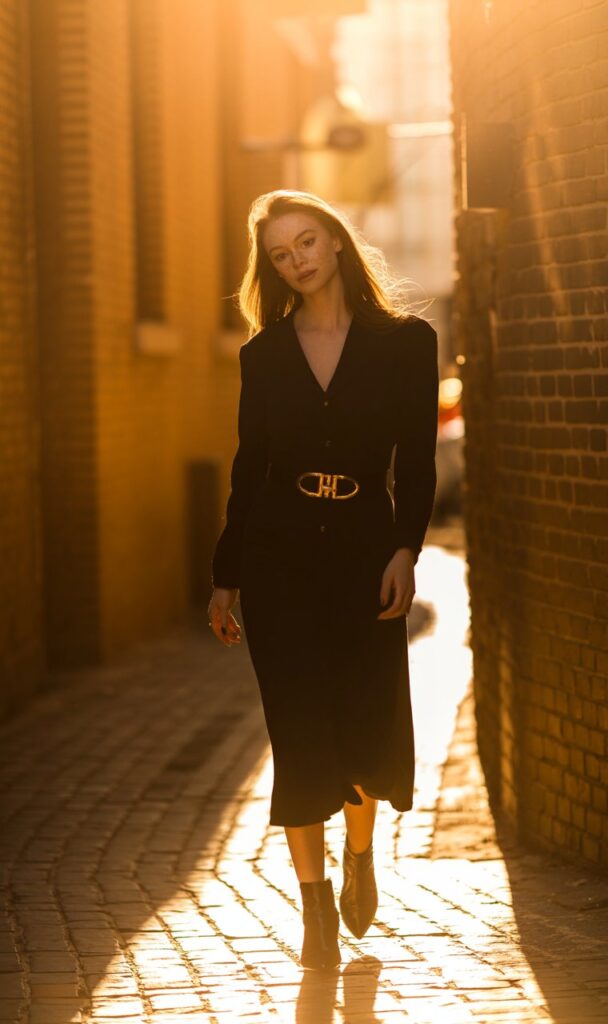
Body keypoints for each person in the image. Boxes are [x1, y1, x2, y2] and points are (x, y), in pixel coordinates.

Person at [208, 189, 439, 970]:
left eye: (307, 242)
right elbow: (250, 468)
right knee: (299, 731)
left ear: (336, 242)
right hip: (280, 556)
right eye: (281, 253)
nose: (297, 259)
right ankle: (314, 911)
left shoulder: (407, 343)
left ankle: (363, 854)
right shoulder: (264, 355)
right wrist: (227, 575)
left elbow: (417, 457)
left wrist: (406, 549)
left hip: (366, 552)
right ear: (271, 268)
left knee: (366, 724)